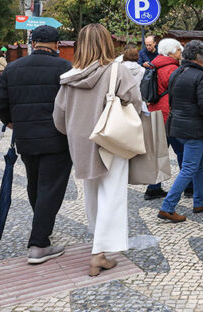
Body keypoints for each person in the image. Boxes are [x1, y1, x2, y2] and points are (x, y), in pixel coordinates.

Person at [53, 23, 142, 277]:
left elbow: (59, 117)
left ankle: (98, 247)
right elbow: (135, 103)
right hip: (110, 139)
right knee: (112, 196)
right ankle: (98, 254)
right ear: (107, 42)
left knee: (92, 195)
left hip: (81, 143)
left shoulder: (69, 76)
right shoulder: (117, 70)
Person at [0, 25, 72, 265]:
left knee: (35, 184)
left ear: (32, 43)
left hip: (26, 138)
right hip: (57, 138)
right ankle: (39, 244)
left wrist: (10, 120)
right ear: (56, 45)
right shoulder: (64, 68)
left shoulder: (13, 68)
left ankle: (41, 227)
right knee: (51, 188)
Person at [158, 40, 203, 222]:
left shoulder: (177, 72)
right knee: (190, 167)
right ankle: (167, 207)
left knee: (200, 163)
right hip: (194, 128)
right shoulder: (201, 77)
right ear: (199, 58)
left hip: (177, 125)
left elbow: (172, 101)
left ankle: (200, 201)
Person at [145, 38, 189, 200]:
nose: (181, 52)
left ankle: (153, 187)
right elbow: (179, 91)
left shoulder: (155, 64)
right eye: (178, 50)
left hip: (155, 112)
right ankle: (189, 186)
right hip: (169, 114)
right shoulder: (171, 68)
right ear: (170, 52)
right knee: (182, 150)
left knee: (158, 152)